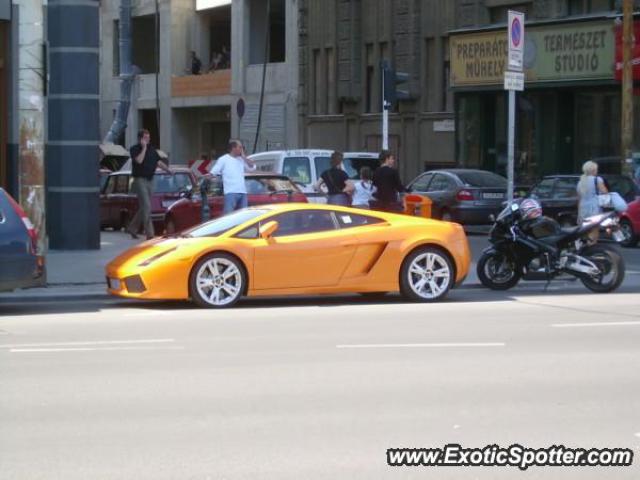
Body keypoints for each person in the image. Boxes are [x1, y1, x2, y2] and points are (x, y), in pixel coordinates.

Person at [127, 129, 173, 239]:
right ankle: (150, 234)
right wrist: (144, 148)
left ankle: (132, 228)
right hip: (139, 180)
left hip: (151, 180)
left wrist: (168, 170)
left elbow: (158, 162)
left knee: (144, 207)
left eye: (148, 138)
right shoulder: (134, 149)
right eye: (145, 138)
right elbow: (139, 161)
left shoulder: (152, 150)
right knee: (147, 206)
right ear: (140, 139)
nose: (148, 140)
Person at [210, 140, 256, 214]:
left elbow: (252, 167)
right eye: (240, 147)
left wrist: (244, 157)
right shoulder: (223, 159)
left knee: (243, 215)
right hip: (230, 192)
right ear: (233, 148)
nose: (242, 149)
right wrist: (210, 176)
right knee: (228, 215)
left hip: (242, 192)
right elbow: (214, 171)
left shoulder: (241, 159)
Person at [577, 160, 607, 242]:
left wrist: (579, 213)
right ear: (593, 170)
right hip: (594, 208)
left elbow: (579, 199)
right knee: (594, 229)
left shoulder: (580, 182)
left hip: (583, 208)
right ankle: (593, 248)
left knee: (586, 230)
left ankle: (587, 247)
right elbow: (605, 192)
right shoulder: (597, 180)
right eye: (596, 169)